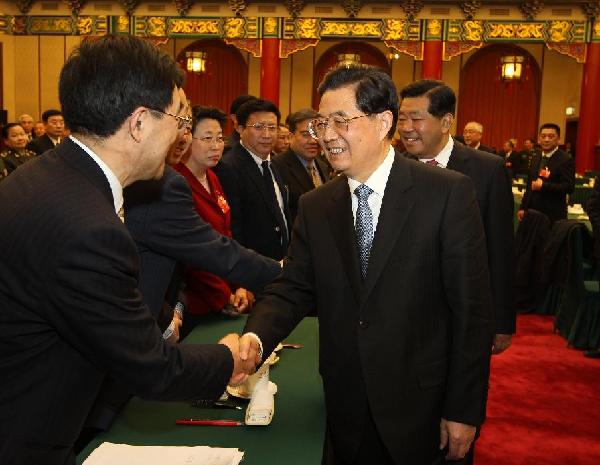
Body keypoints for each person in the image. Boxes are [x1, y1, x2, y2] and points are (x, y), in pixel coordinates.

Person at [0, 35, 256, 465]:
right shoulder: (88, 227)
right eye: (179, 116)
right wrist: (227, 358)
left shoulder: (45, 178)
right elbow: (149, 365)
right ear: (139, 123)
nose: (182, 131)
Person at [240, 65, 494, 464]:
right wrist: (253, 341)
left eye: (341, 121)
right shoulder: (317, 205)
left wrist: (462, 410)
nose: (326, 135)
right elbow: (294, 288)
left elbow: (472, 312)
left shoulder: (446, 194)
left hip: (422, 405)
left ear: (382, 122)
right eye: (322, 123)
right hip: (347, 403)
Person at [398, 79, 515, 358]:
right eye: (402, 119)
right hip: (404, 315)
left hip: (464, 313)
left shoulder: (486, 170)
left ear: (446, 121)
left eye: (416, 119)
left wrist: (502, 321)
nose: (406, 128)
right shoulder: (393, 168)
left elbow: (501, 249)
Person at [174, 106, 261, 327]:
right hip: (197, 302)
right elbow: (192, 254)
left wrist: (239, 285)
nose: (216, 146)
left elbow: (226, 237)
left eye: (220, 138)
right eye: (207, 138)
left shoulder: (212, 177)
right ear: (186, 139)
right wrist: (224, 296)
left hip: (225, 290)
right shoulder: (177, 182)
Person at [214, 98, 291, 261]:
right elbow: (234, 231)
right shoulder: (229, 168)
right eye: (258, 127)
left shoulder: (273, 164)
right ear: (239, 128)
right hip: (252, 271)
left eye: (272, 128)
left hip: (281, 264)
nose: (267, 135)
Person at [272, 108, 330, 225]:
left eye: (316, 134)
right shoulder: (277, 166)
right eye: (305, 134)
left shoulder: (323, 166)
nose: (313, 141)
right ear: (290, 136)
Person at [518, 123, 575, 224]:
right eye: (543, 136)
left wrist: (544, 186)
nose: (546, 139)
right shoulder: (536, 157)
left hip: (552, 214)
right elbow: (529, 185)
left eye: (551, 136)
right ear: (539, 139)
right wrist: (523, 207)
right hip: (532, 212)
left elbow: (569, 187)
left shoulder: (565, 159)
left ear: (558, 139)